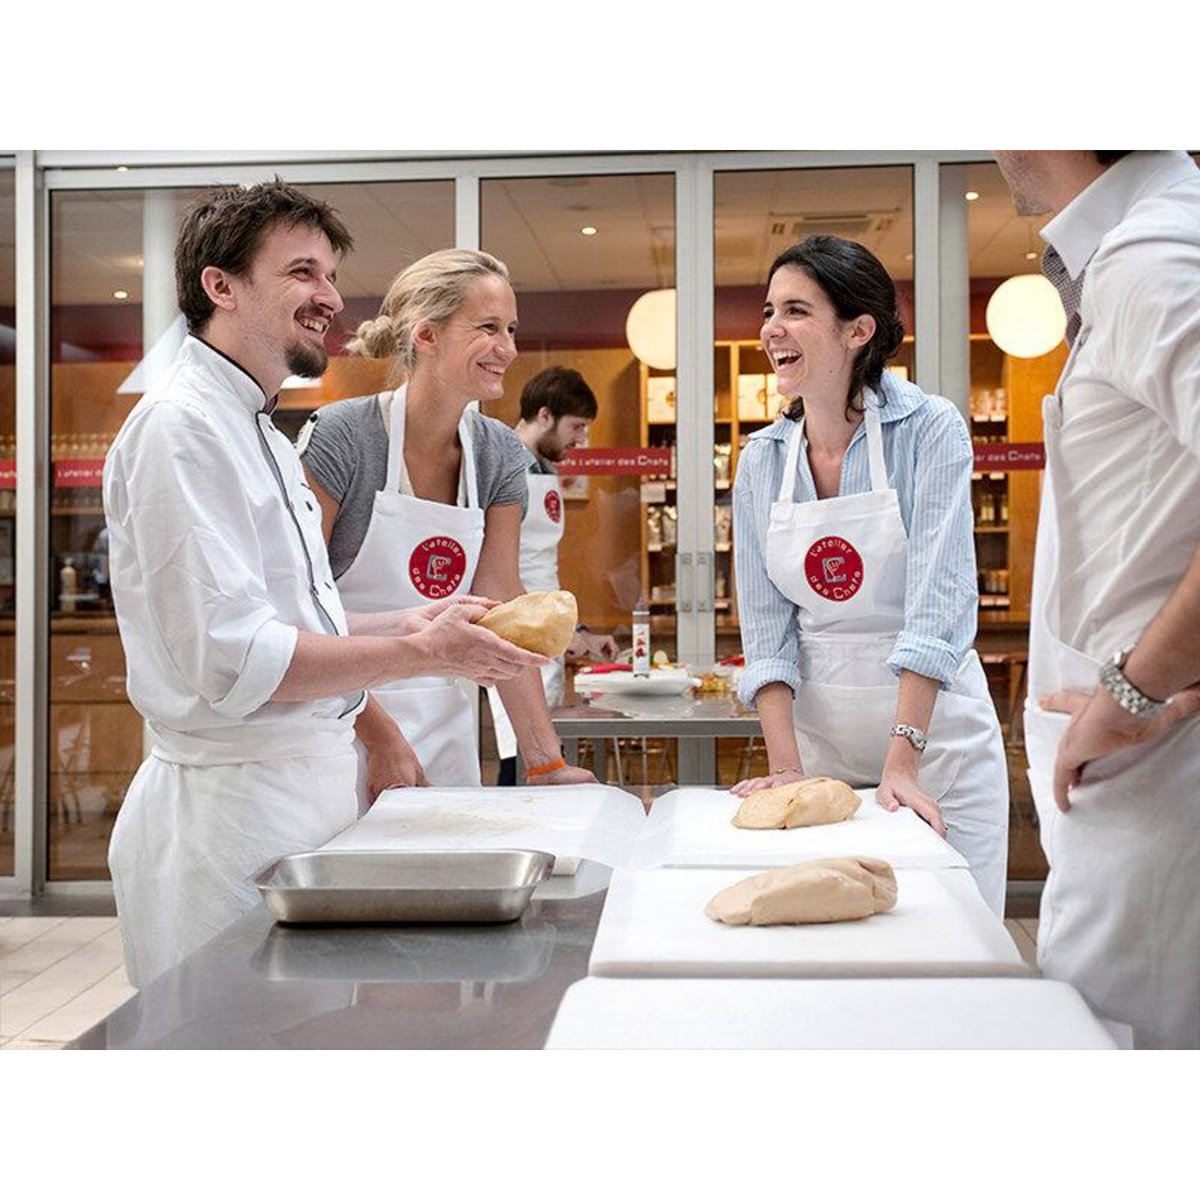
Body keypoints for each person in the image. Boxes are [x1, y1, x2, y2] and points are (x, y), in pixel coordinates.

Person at [103, 182, 545, 986]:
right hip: (231, 822)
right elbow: (237, 660)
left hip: (307, 801)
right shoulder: (180, 429)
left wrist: (411, 621)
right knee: (229, 1034)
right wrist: (420, 653)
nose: (332, 298)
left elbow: (301, 619)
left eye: (331, 277)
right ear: (220, 285)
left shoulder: (262, 432)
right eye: (302, 273)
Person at [730, 235, 1009, 916]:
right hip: (820, 752)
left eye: (796, 311)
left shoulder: (930, 428)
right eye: (769, 311)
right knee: (838, 948)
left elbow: (938, 602)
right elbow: (766, 630)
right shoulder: (762, 460)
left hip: (934, 749)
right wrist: (787, 770)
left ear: (858, 331)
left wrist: (903, 763)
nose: (771, 329)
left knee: (952, 938)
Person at [994, 151, 1200, 1048]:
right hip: (1144, 775)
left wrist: (1133, 692)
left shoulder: (1154, 254)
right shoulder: (1146, 244)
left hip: (1156, 792)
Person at [300, 252, 597, 794]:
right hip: (337, 728)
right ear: (427, 335)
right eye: (488, 328)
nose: (508, 348)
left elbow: (502, 606)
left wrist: (545, 762)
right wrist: (383, 739)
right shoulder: (344, 437)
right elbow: (301, 612)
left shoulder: (498, 453)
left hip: (444, 728)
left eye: (511, 330)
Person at [485, 366, 619, 785]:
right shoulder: (505, 467)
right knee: (521, 770)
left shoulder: (542, 469)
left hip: (543, 637)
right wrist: (553, 631)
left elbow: (540, 567)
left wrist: (575, 629)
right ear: (545, 416)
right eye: (576, 427)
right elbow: (499, 572)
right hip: (517, 635)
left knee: (546, 763)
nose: (581, 439)